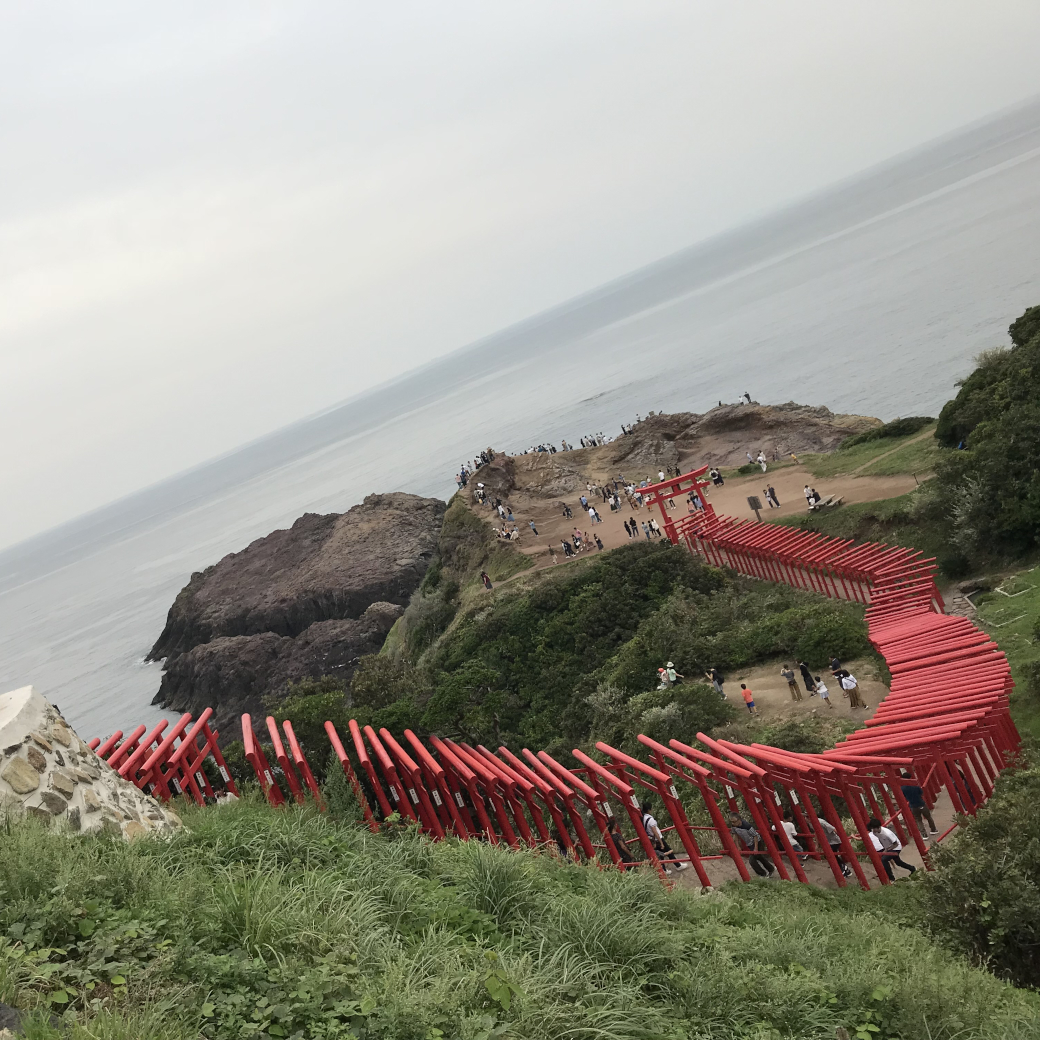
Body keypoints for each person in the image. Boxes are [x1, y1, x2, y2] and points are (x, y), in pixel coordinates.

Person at [641, 801, 688, 871]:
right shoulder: (650, 820)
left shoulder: (644, 818)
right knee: (668, 851)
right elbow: (655, 832)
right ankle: (678, 865)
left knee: (661, 855)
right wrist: (661, 842)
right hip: (658, 839)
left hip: (653, 839)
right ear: (649, 810)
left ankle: (664, 869)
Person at [727, 811, 774, 878]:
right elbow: (735, 836)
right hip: (749, 843)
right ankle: (771, 869)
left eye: (734, 821)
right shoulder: (733, 827)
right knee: (759, 857)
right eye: (731, 822)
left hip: (757, 841)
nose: (733, 823)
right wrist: (738, 846)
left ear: (739, 820)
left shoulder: (747, 825)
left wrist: (756, 848)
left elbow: (755, 836)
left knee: (752, 860)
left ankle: (763, 874)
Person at [900, 770, 938, 837]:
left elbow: (903, 796)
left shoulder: (902, 788)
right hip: (921, 803)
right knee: (928, 817)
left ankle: (924, 834)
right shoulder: (915, 785)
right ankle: (933, 829)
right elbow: (921, 793)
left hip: (913, 806)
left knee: (918, 820)